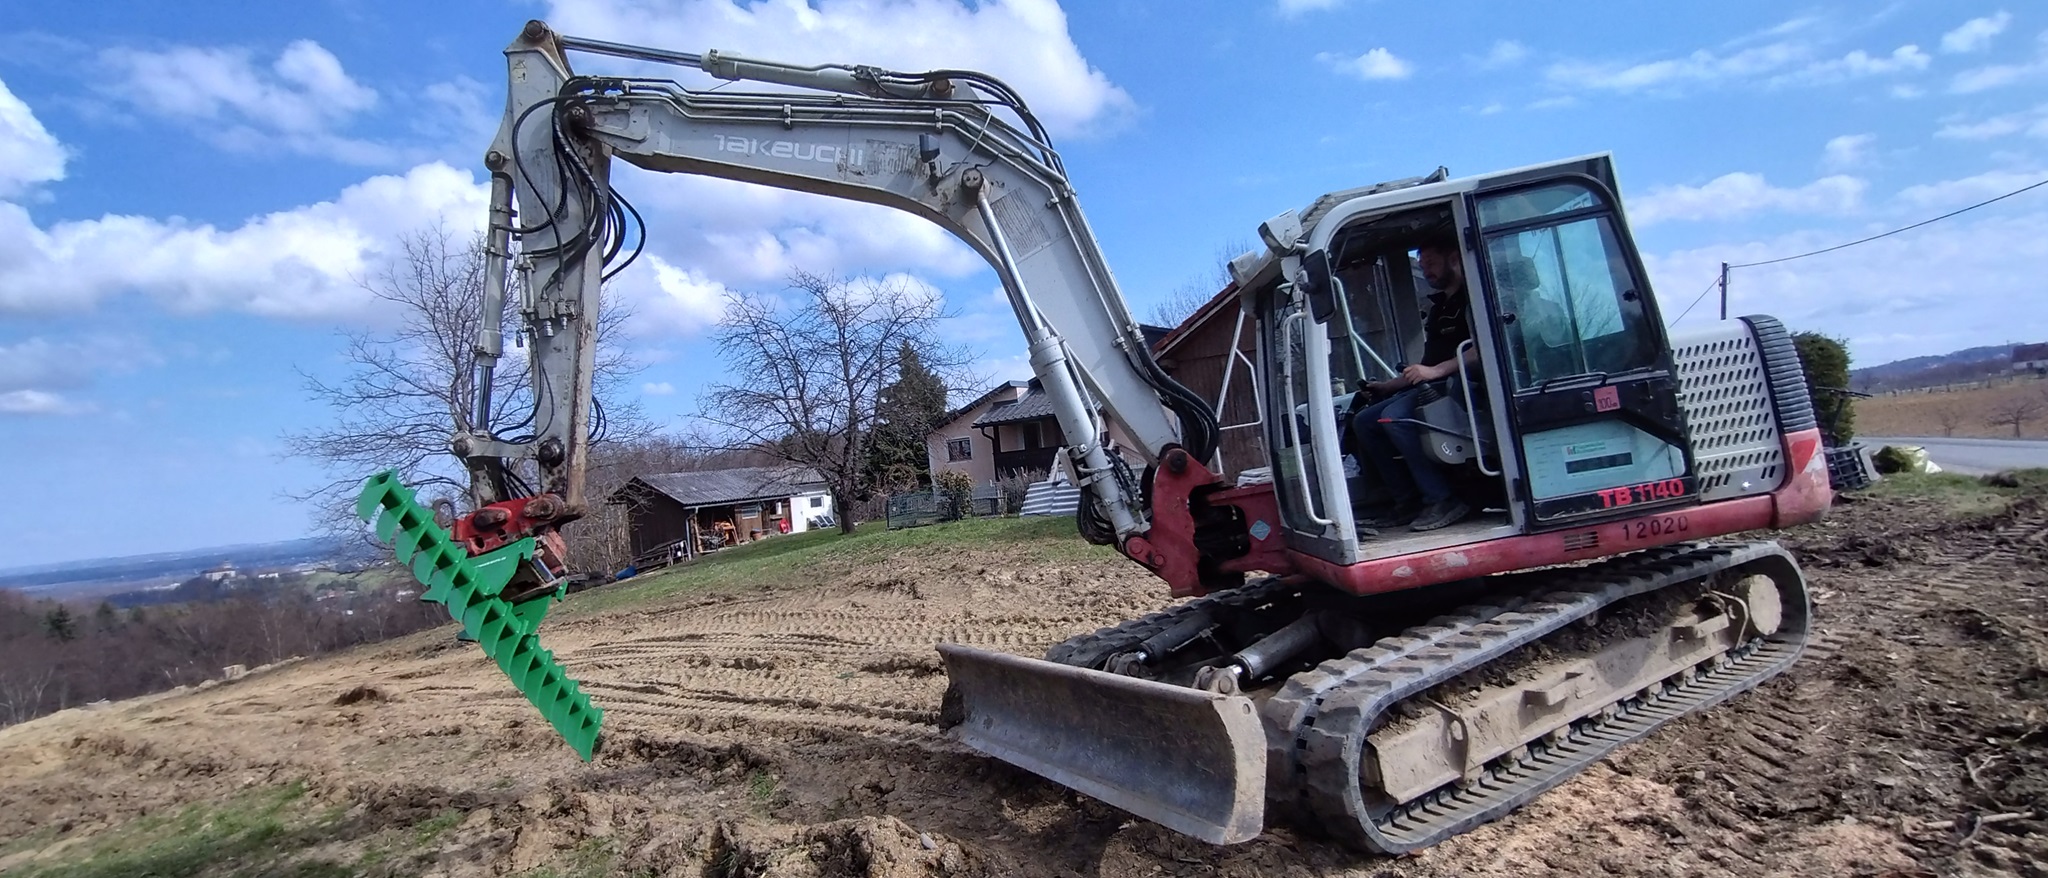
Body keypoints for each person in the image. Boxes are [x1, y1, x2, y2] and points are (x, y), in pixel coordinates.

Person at [1348, 239, 1481, 532]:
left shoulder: (1474, 300)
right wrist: (1388, 386)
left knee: (1395, 418)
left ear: (1455, 258)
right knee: (1365, 421)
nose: (1427, 271)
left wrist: (1435, 371)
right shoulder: (1438, 307)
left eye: (1431, 264)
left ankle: (1443, 497)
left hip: (1462, 386)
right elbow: (1426, 365)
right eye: (1422, 266)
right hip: (1434, 382)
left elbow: (1480, 350)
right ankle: (1406, 501)